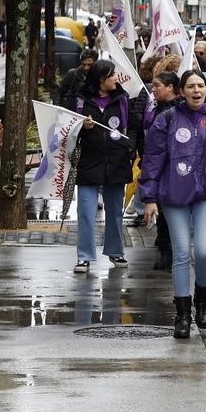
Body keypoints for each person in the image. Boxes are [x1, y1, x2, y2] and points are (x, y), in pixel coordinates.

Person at [141, 70, 206, 339]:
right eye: (191, 86)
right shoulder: (166, 120)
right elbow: (152, 160)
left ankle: (201, 298)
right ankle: (183, 314)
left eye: (201, 85)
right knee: (181, 255)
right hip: (173, 195)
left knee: (204, 252)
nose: (196, 90)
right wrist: (149, 198)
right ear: (181, 91)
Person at [71, 60, 144, 274]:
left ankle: (115, 251)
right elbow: (66, 125)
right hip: (89, 162)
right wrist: (80, 127)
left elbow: (133, 124)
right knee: (85, 211)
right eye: (112, 75)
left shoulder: (122, 99)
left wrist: (129, 144)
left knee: (114, 212)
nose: (116, 79)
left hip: (117, 161)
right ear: (101, 79)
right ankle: (84, 257)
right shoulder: (80, 100)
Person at [142, 70, 181, 271]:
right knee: (162, 213)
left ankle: (173, 252)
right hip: (158, 167)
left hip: (176, 170)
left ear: (171, 88)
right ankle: (166, 250)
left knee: (173, 213)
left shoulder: (181, 112)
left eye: (157, 85)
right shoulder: (154, 108)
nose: (153, 89)